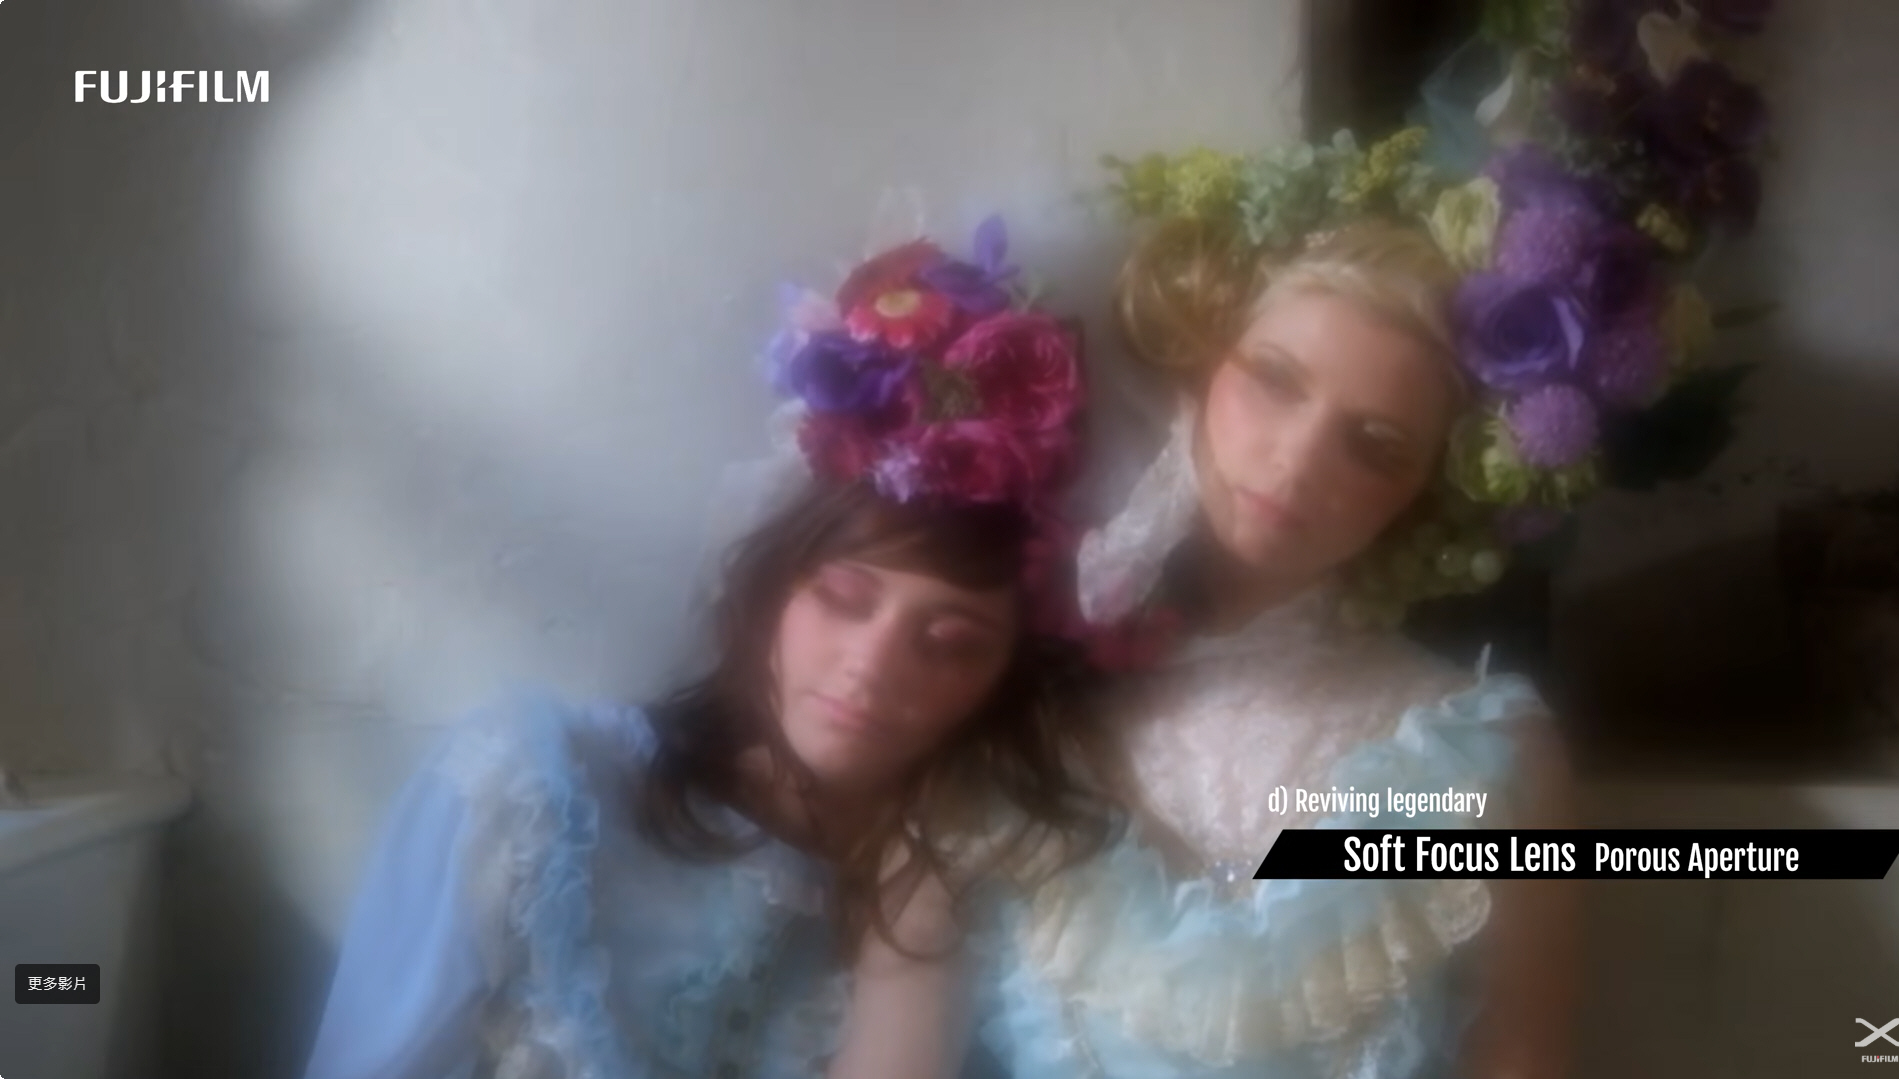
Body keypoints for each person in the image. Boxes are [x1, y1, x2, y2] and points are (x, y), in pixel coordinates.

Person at [298, 216, 1115, 1079]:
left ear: (998, 680)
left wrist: (914, 937)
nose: (873, 664)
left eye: (949, 642)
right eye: (841, 599)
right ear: (770, 593)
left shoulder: (978, 914)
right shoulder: (531, 792)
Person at [963, 205, 1587, 1078]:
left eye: (1374, 446)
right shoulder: (1000, 684)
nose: (1297, 460)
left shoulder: (1485, 750)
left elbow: (1523, 1057)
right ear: (1198, 371)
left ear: (1416, 494)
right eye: (1273, 379)